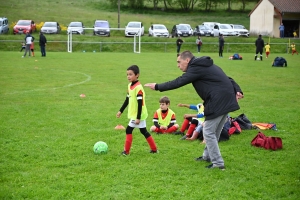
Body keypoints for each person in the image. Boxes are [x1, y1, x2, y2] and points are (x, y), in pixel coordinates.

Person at [144, 51, 243, 170]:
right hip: (225, 99)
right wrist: (238, 90)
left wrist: (157, 86)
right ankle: (207, 156)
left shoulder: (196, 67)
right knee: (213, 131)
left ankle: (218, 163)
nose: (178, 65)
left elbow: (179, 82)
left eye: (179, 62)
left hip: (218, 101)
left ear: (187, 60)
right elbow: (228, 78)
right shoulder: (204, 65)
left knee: (209, 131)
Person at [116, 65, 158, 156]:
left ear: (137, 75)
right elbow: (127, 99)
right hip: (136, 114)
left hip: (139, 114)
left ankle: (126, 152)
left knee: (128, 130)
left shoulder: (138, 88)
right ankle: (154, 149)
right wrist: (121, 111)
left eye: (130, 74)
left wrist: (138, 117)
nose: (128, 76)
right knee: (143, 131)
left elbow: (140, 103)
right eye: (127, 74)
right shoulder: (129, 86)